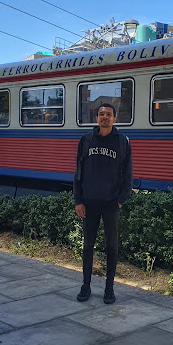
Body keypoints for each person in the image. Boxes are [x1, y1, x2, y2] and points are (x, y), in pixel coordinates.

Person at [73, 103, 133, 304]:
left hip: (111, 204)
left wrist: (121, 200)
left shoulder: (122, 142)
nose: (105, 117)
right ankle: (85, 286)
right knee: (87, 247)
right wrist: (78, 200)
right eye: (101, 114)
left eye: (108, 114)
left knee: (111, 247)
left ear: (114, 119)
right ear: (96, 118)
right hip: (89, 203)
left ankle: (109, 289)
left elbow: (128, 174)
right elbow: (78, 173)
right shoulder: (86, 140)